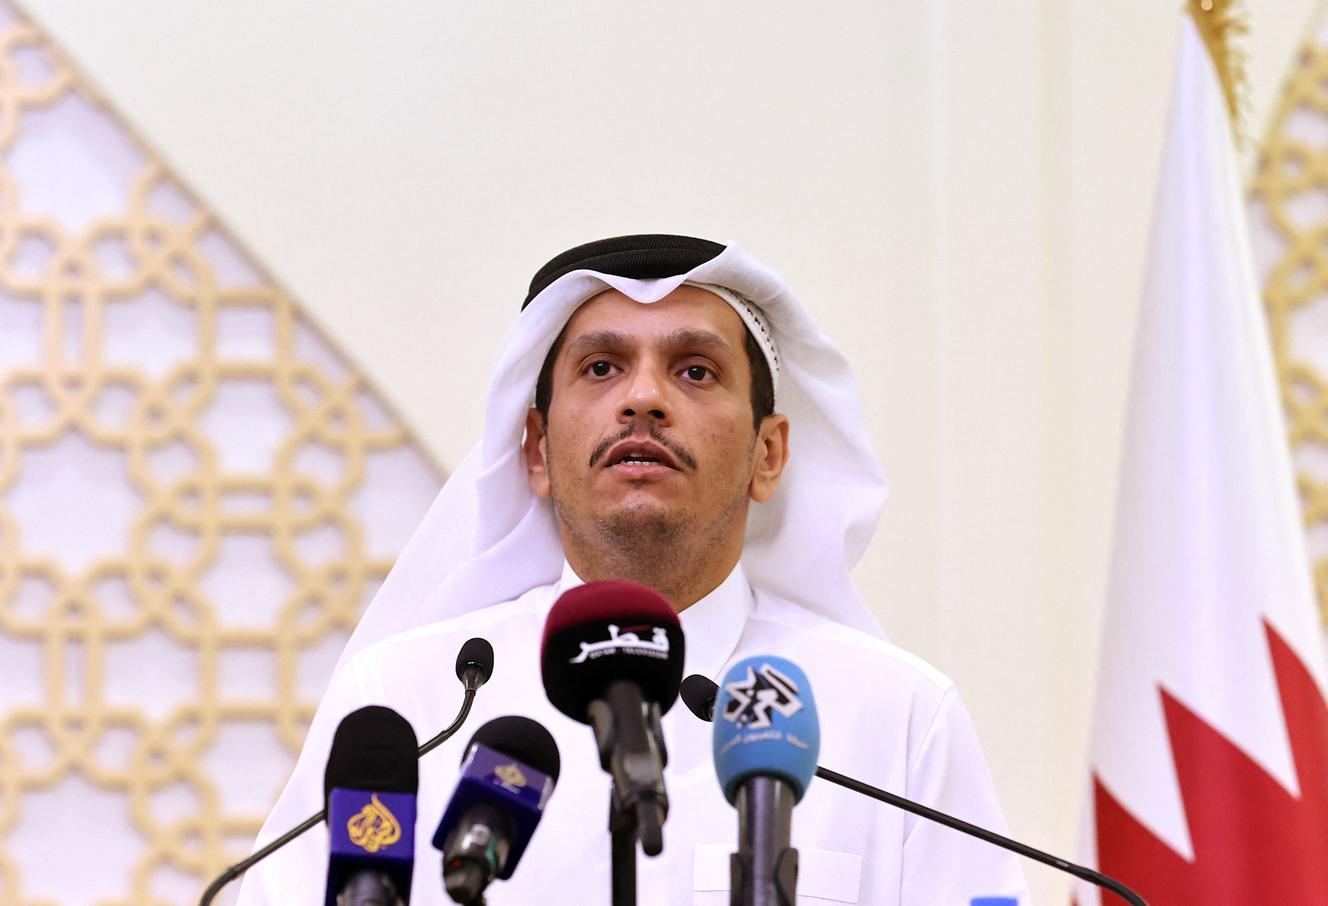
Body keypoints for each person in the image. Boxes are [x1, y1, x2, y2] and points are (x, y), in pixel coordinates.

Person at [238, 235, 1031, 904]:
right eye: (601, 367)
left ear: (769, 455)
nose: (644, 398)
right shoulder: (412, 706)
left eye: (694, 371)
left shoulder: (893, 719)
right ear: (537, 452)